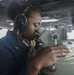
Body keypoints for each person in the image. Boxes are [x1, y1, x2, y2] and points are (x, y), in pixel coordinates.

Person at [0, 1, 71, 75]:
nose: (38, 29)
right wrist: (36, 64)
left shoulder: (29, 43)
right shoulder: (3, 48)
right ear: (21, 23)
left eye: (39, 25)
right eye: (35, 25)